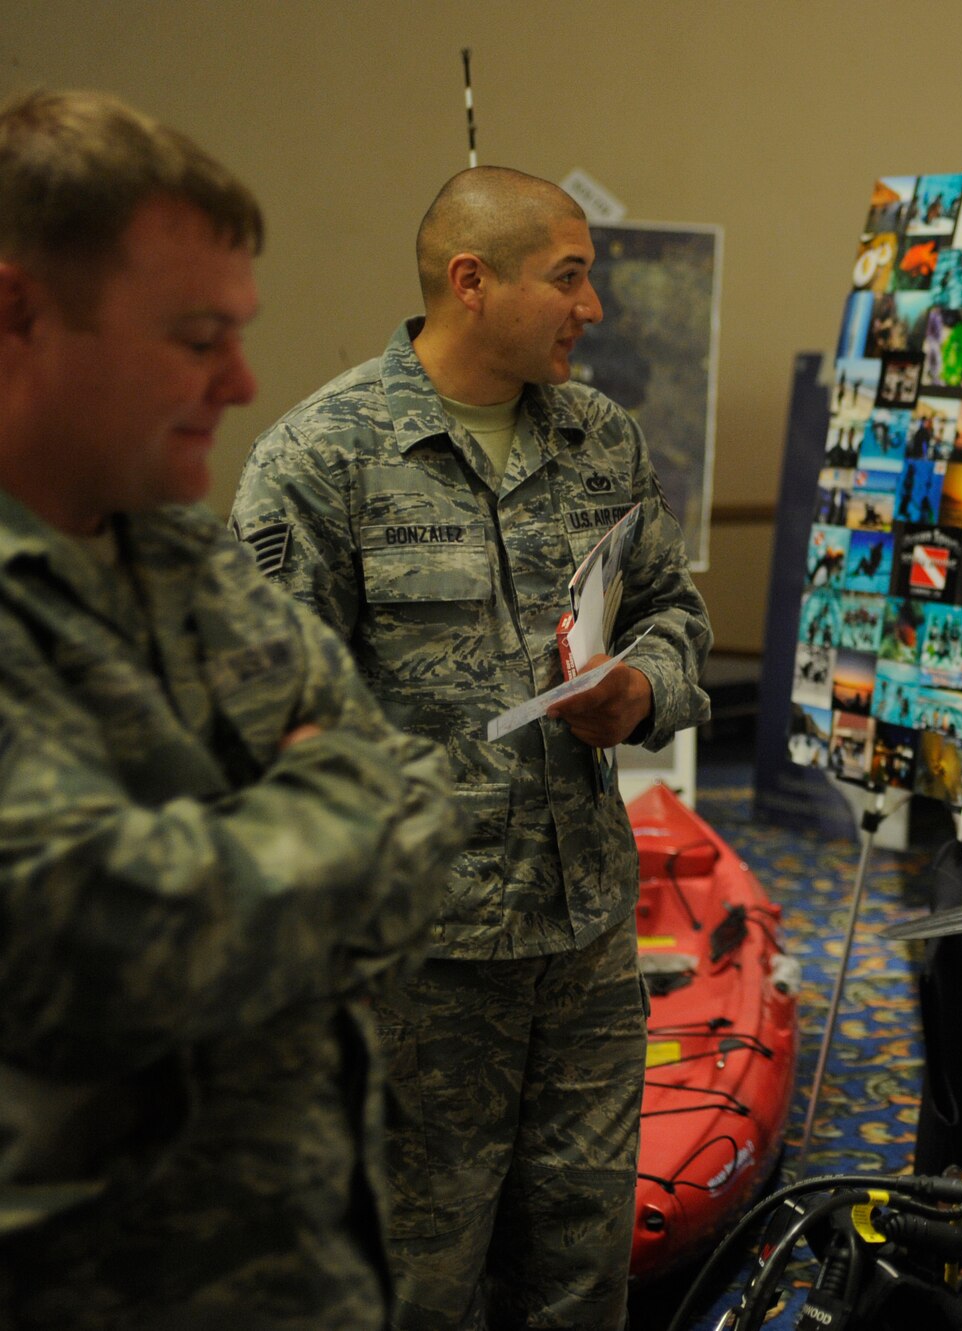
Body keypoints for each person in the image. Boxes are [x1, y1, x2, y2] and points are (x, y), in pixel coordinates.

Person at [0, 89, 464, 1327]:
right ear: (18, 313)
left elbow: (426, 822)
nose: (244, 378)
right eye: (197, 335)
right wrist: (329, 796)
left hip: (305, 1262)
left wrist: (253, 869)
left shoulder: (182, 552)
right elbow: (91, 944)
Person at [232, 167, 713, 1328]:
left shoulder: (600, 439)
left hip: (585, 934)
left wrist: (643, 684)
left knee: (580, 1268)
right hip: (419, 965)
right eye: (568, 276)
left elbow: (671, 610)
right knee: (419, 1275)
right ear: (471, 281)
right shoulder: (320, 459)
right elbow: (256, 718)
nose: (591, 307)